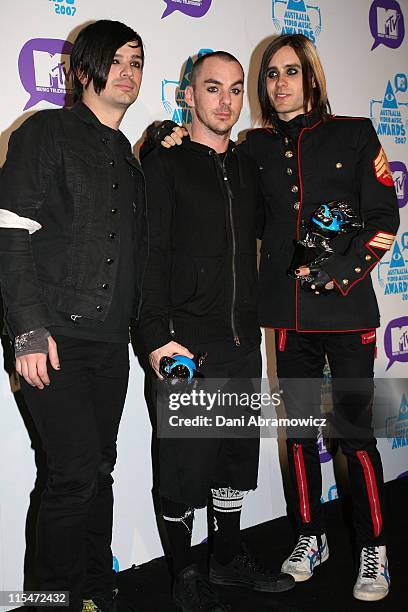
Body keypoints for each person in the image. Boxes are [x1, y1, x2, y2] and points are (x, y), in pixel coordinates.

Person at [160, 34, 399, 602]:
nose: (280, 84)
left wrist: (336, 271)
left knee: (354, 434)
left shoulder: (354, 133)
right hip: (286, 319)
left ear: (311, 78)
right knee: (297, 435)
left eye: (291, 72)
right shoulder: (252, 147)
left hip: (347, 315)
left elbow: (383, 217)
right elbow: (211, 173)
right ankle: (310, 536)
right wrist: (162, 137)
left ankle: (374, 548)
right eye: (270, 75)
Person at [139, 51, 294, 611]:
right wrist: (157, 336)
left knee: (232, 458)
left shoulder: (251, 167)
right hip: (185, 344)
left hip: (240, 341)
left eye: (234, 90)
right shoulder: (165, 162)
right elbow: (147, 256)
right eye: (212, 88)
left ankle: (227, 558)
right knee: (182, 466)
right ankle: (185, 572)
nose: (225, 101)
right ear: (188, 95)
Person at [0, 20, 147, 612]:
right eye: (115, 60)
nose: (128, 71)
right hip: (52, 338)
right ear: (83, 70)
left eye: (137, 61)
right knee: (71, 475)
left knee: (101, 471)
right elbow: (8, 231)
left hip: (111, 345)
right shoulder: (49, 132)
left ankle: (93, 589)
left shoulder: (130, 157)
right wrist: (28, 331)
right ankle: (46, 602)